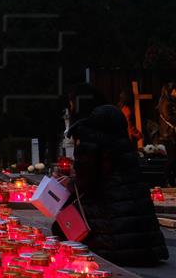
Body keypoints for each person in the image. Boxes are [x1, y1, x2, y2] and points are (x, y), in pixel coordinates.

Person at [54, 105, 168, 266]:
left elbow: (85, 182)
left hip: (113, 236)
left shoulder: (92, 141)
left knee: (61, 228)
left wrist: (69, 182)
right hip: (147, 244)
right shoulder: (124, 144)